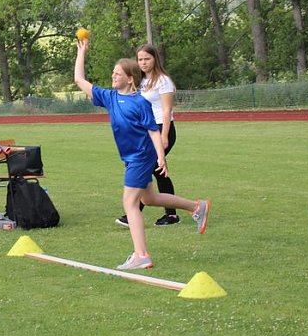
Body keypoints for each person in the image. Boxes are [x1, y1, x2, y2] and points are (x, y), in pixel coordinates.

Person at [74, 37, 210, 270]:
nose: (113, 77)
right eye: (113, 73)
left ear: (130, 78)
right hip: (131, 158)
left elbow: (154, 132)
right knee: (148, 198)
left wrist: (161, 157)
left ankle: (141, 255)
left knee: (129, 202)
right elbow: (79, 79)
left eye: (117, 74)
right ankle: (196, 206)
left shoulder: (141, 103)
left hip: (141, 156)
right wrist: (82, 52)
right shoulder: (109, 97)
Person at [116, 44, 186, 227]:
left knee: (151, 168)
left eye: (147, 59)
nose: (143, 63)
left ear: (155, 59)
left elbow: (166, 109)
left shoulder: (163, 81)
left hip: (162, 128)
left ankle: (134, 211)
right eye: (140, 59)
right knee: (156, 171)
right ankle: (170, 215)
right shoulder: (141, 82)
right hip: (146, 132)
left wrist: (164, 136)